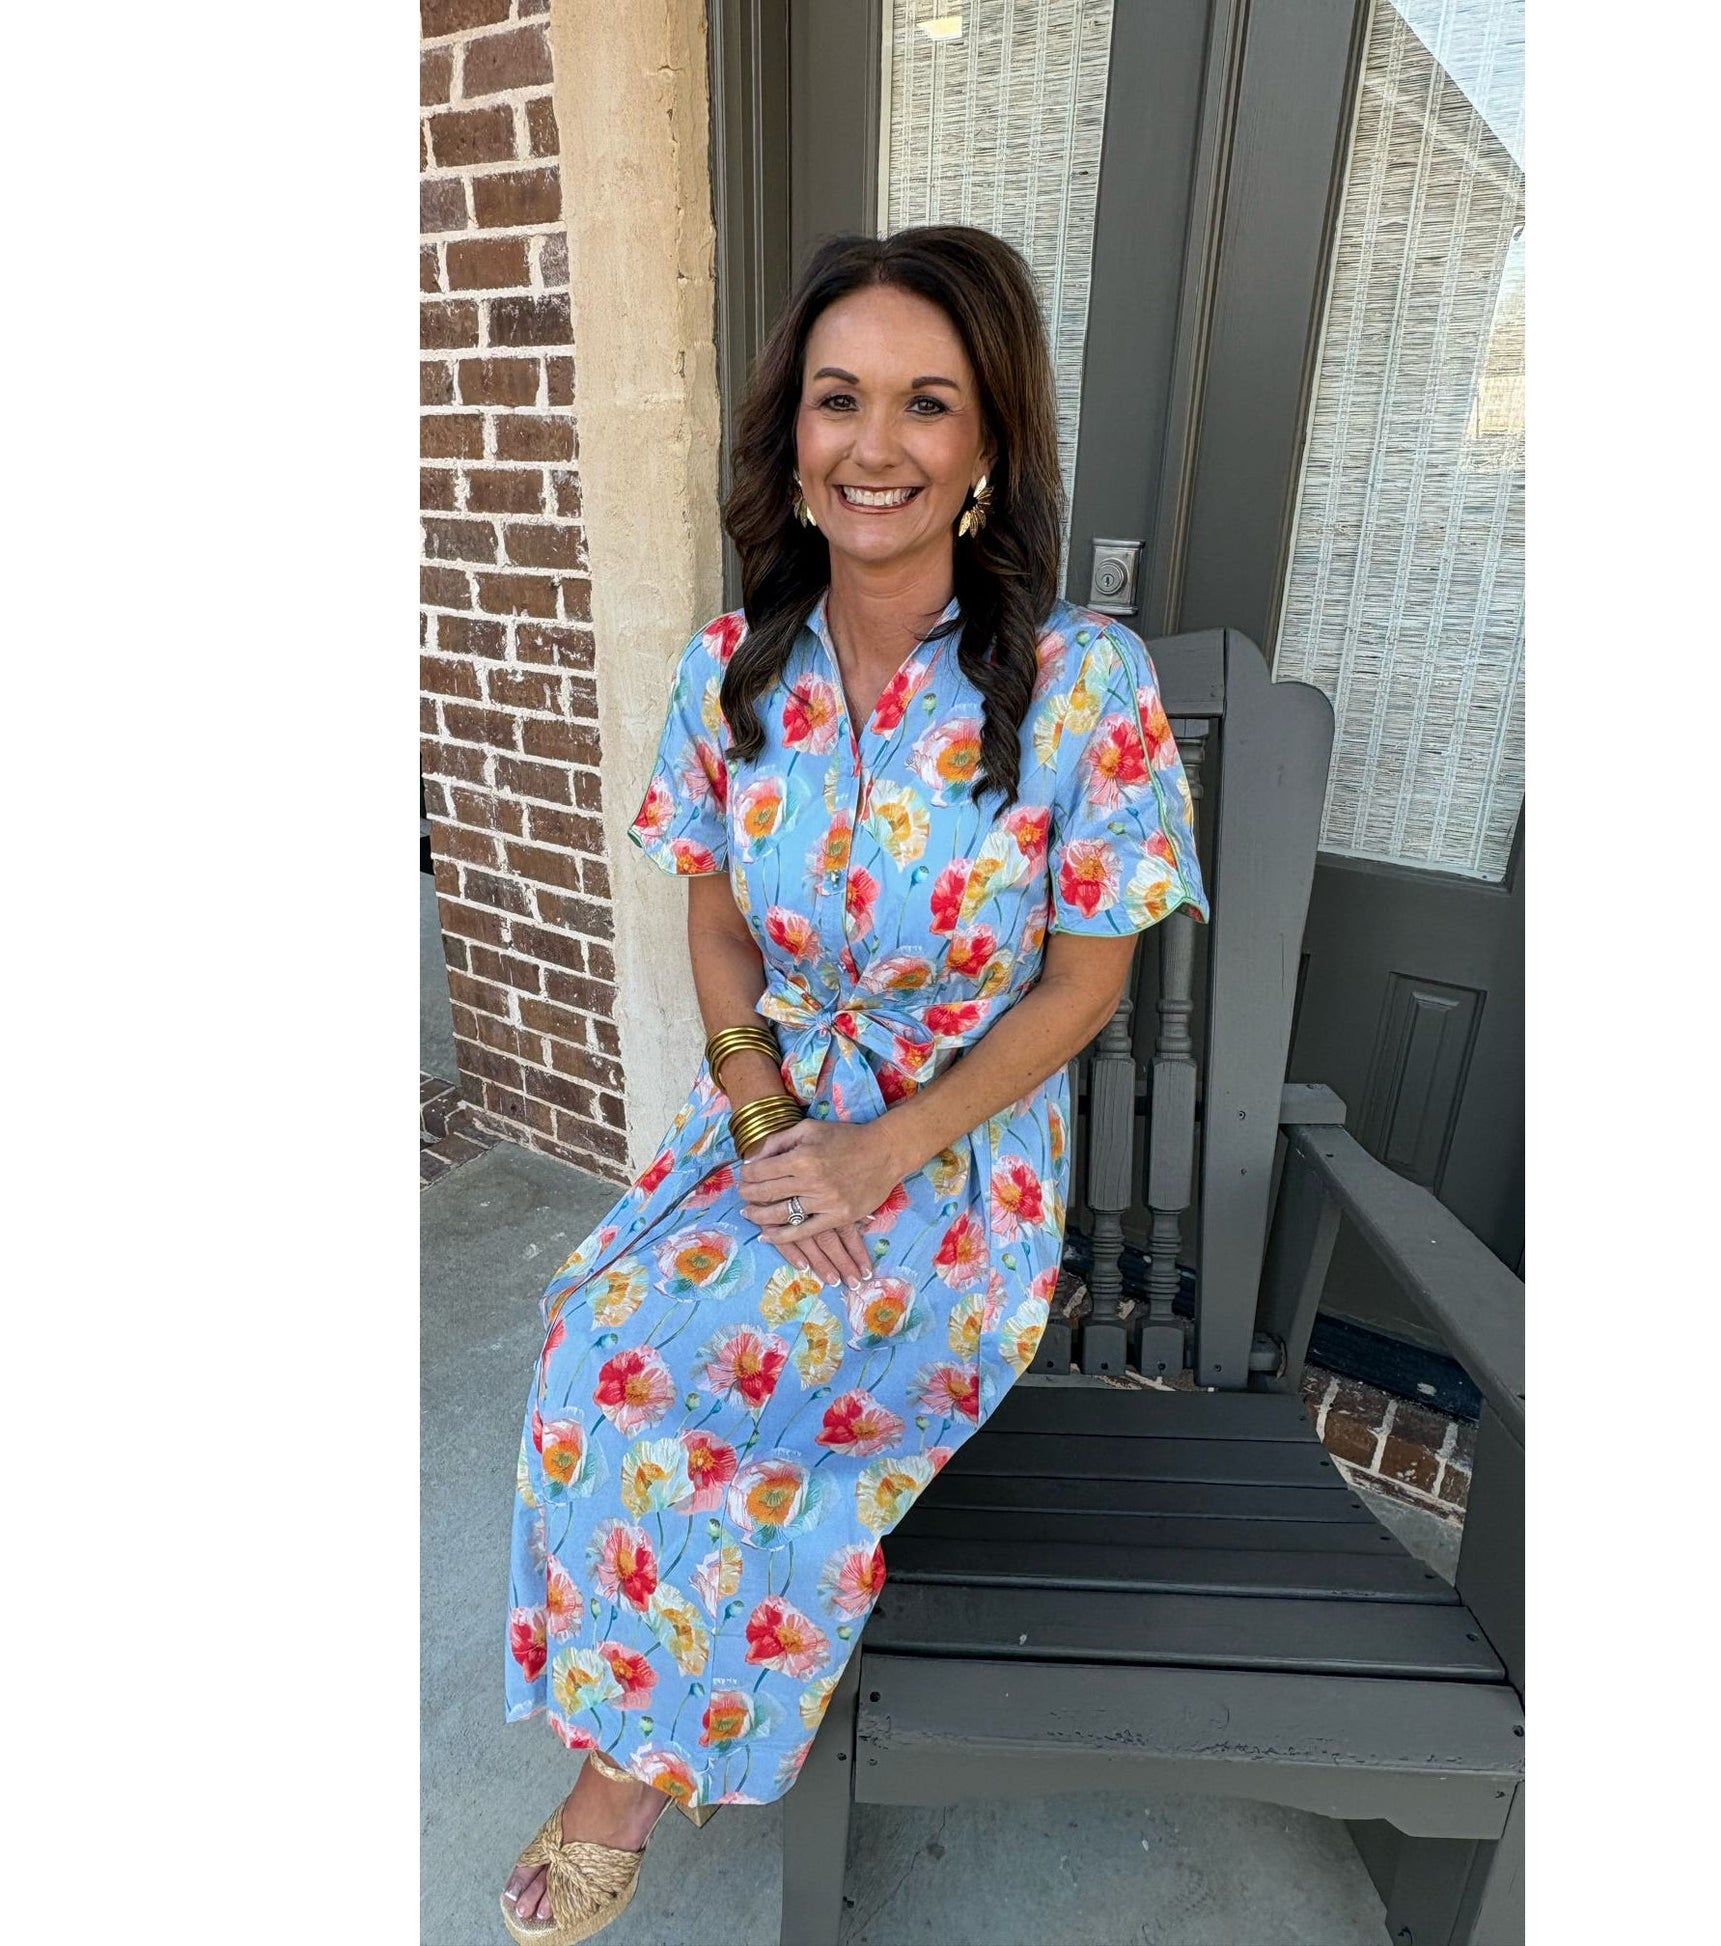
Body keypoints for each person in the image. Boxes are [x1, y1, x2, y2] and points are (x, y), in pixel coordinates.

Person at [500, 223, 1208, 1942]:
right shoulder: (735, 663)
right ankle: (639, 1708)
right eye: (837, 400)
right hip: (771, 1121)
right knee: (594, 1343)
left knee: (730, 1386)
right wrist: (761, 1116)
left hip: (953, 1165)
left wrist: (883, 1148)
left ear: (984, 447)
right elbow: (716, 914)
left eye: (923, 403)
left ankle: (617, 1789)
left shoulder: (1074, 681)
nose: (871, 444)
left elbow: (1091, 976)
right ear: (791, 432)